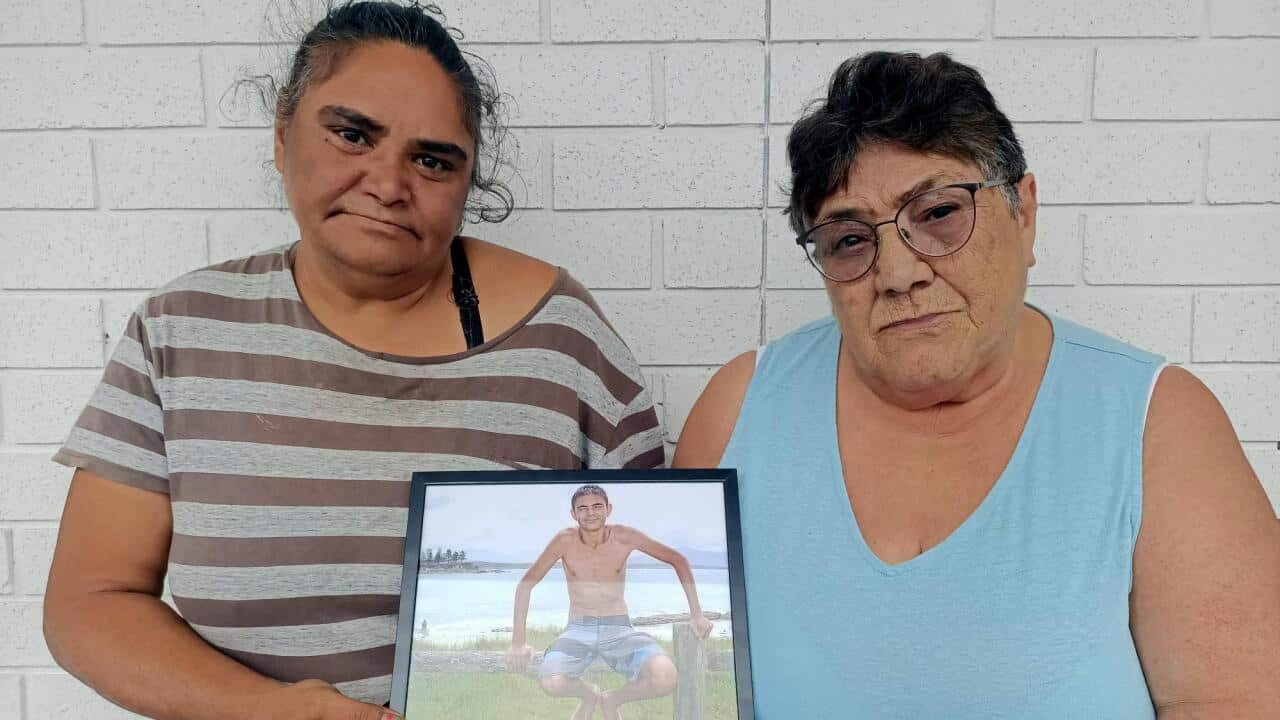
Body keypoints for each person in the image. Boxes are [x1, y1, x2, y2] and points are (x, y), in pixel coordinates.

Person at [41, 4, 663, 719]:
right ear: (283, 134)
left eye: (432, 160)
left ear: (467, 182)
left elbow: (648, 567)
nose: (389, 184)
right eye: (353, 134)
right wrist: (274, 711)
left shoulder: (564, 342)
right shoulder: (180, 331)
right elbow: (91, 600)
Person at [674, 51, 1280, 718]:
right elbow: (689, 692)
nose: (898, 273)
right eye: (849, 240)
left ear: (1024, 212)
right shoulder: (739, 409)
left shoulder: (1157, 424)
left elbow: (1235, 701)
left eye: (938, 212)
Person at [505, 484, 713, 720]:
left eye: (597, 506)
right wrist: (518, 642)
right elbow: (525, 585)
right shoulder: (564, 541)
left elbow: (678, 560)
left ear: (608, 509)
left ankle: (612, 700)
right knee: (552, 682)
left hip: (619, 629)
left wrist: (697, 614)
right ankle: (589, 696)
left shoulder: (625, 536)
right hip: (578, 629)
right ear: (573, 514)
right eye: (582, 508)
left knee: (665, 676)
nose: (590, 513)